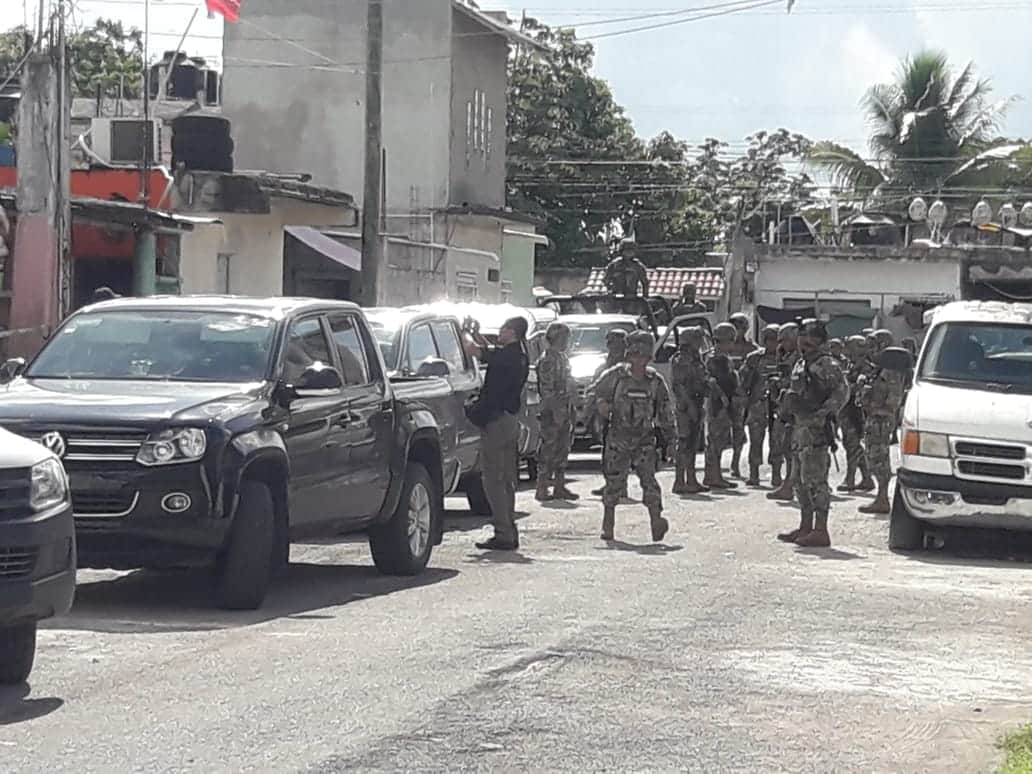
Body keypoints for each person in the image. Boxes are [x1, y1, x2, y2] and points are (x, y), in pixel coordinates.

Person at [592, 331, 676, 542]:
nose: (639, 360)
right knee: (613, 482)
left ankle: (656, 519)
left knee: (649, 482)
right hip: (618, 438)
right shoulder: (615, 376)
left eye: (643, 356)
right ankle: (608, 523)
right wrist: (601, 404)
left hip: (644, 440)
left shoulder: (655, 381)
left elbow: (665, 412)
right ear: (629, 356)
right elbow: (596, 391)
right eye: (635, 355)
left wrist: (671, 441)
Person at [776, 319, 848, 548]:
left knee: (816, 481)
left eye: (808, 336)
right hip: (799, 428)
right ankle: (805, 526)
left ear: (818, 340)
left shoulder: (827, 364)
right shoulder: (801, 363)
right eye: (801, 336)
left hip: (816, 430)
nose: (802, 341)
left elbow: (842, 392)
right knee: (799, 481)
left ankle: (821, 529)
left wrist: (823, 414)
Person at [464, 316, 530, 551]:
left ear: (511, 332)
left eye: (503, 329)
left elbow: (476, 351)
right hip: (509, 420)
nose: (500, 333)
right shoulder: (520, 355)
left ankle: (503, 532)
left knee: (493, 480)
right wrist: (478, 333)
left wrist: (465, 334)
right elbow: (492, 352)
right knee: (507, 479)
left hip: (497, 422)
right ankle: (509, 530)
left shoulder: (507, 357)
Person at [857, 329, 906, 515]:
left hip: (881, 421)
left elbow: (892, 402)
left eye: (873, 346)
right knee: (872, 457)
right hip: (872, 419)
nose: (870, 350)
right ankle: (880, 496)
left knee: (880, 459)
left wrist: (874, 408)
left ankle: (883, 498)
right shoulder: (876, 369)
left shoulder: (892, 372)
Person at [535, 322, 578, 503]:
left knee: (563, 448)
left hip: (564, 408)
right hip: (551, 412)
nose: (566, 342)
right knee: (548, 449)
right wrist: (555, 412)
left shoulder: (562, 358)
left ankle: (559, 486)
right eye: (564, 338)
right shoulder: (547, 361)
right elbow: (547, 391)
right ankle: (542, 486)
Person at [589, 329, 629, 498]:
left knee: (623, 450)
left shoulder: (628, 366)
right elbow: (597, 388)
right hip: (607, 414)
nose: (613, 346)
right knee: (608, 450)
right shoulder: (605, 366)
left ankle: (620, 485)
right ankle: (611, 483)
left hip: (626, 414)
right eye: (611, 343)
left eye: (617, 343)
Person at [739, 324, 780, 486]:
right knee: (756, 440)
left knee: (777, 440)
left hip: (778, 405)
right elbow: (744, 382)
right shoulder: (754, 358)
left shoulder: (787, 358)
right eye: (769, 340)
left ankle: (776, 474)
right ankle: (754, 473)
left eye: (776, 340)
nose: (773, 344)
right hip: (758, 404)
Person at [671, 326, 709, 494]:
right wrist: (690, 405)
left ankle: (691, 479)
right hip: (687, 406)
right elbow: (679, 386)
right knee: (685, 442)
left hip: (696, 402)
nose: (700, 342)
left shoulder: (695, 358)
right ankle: (680, 480)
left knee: (692, 443)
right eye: (697, 339)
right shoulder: (683, 359)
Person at [838, 335, 875, 493]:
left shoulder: (866, 368)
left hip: (856, 411)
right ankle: (866, 478)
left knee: (852, 445)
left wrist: (846, 387)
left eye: (849, 347)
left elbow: (860, 389)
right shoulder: (850, 365)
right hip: (847, 410)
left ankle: (850, 478)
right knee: (851, 444)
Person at [703, 322, 739, 490]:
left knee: (719, 440)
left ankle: (714, 475)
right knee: (715, 441)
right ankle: (713, 476)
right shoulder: (715, 359)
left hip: (723, 403)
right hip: (718, 404)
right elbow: (714, 382)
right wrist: (723, 398)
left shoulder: (722, 358)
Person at [767, 322, 800, 500]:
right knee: (786, 447)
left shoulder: (799, 359)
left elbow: (796, 383)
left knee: (792, 447)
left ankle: (789, 485)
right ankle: (789, 482)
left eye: (784, 340)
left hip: (796, 410)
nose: (781, 344)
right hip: (786, 407)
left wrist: (781, 384)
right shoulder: (787, 356)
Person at [727, 313, 756, 479]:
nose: (736, 330)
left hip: (742, 395)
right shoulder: (725, 347)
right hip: (725, 394)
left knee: (739, 430)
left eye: (738, 327)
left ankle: (735, 463)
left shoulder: (752, 350)